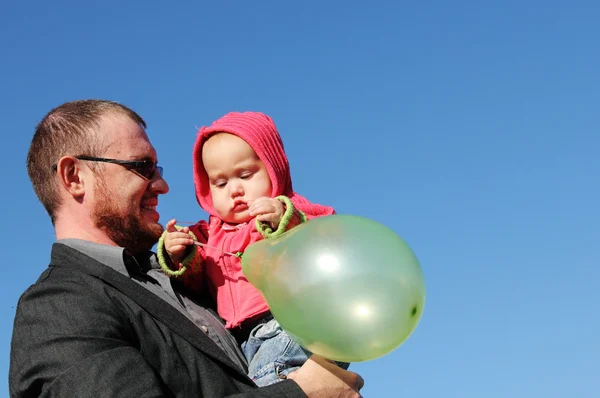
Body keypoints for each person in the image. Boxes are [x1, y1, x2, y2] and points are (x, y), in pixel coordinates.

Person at [9, 99, 364, 397]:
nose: (162, 184)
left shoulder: (183, 276)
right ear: (74, 178)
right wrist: (301, 393)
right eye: (142, 167)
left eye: (157, 168)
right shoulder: (58, 306)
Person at [158, 112, 348, 387]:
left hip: (291, 321)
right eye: (220, 183)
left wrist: (286, 218)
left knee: (272, 381)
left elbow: (326, 234)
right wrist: (179, 254)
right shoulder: (208, 234)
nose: (234, 190)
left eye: (245, 175)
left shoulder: (284, 208)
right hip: (244, 339)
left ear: (273, 169)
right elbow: (195, 286)